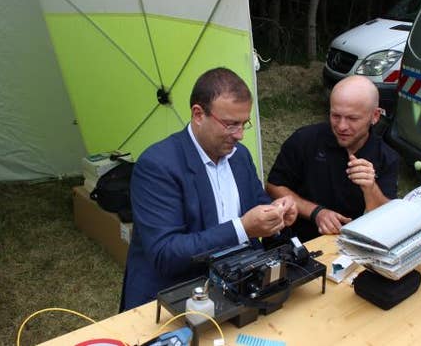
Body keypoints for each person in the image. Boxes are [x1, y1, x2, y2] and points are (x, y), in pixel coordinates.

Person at [122, 67, 297, 310]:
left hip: (237, 285)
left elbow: (258, 203)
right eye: (230, 124)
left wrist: (277, 214)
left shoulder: (239, 156)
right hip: (176, 294)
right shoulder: (157, 165)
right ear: (198, 114)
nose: (239, 136)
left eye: (243, 124)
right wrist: (243, 228)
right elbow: (165, 254)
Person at [265, 75, 399, 243]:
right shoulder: (305, 140)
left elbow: (387, 218)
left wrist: (370, 188)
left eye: (352, 118)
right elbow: (274, 186)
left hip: (351, 247)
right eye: (335, 116)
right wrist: (316, 213)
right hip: (299, 242)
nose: (342, 126)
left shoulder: (386, 157)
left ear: (375, 116)